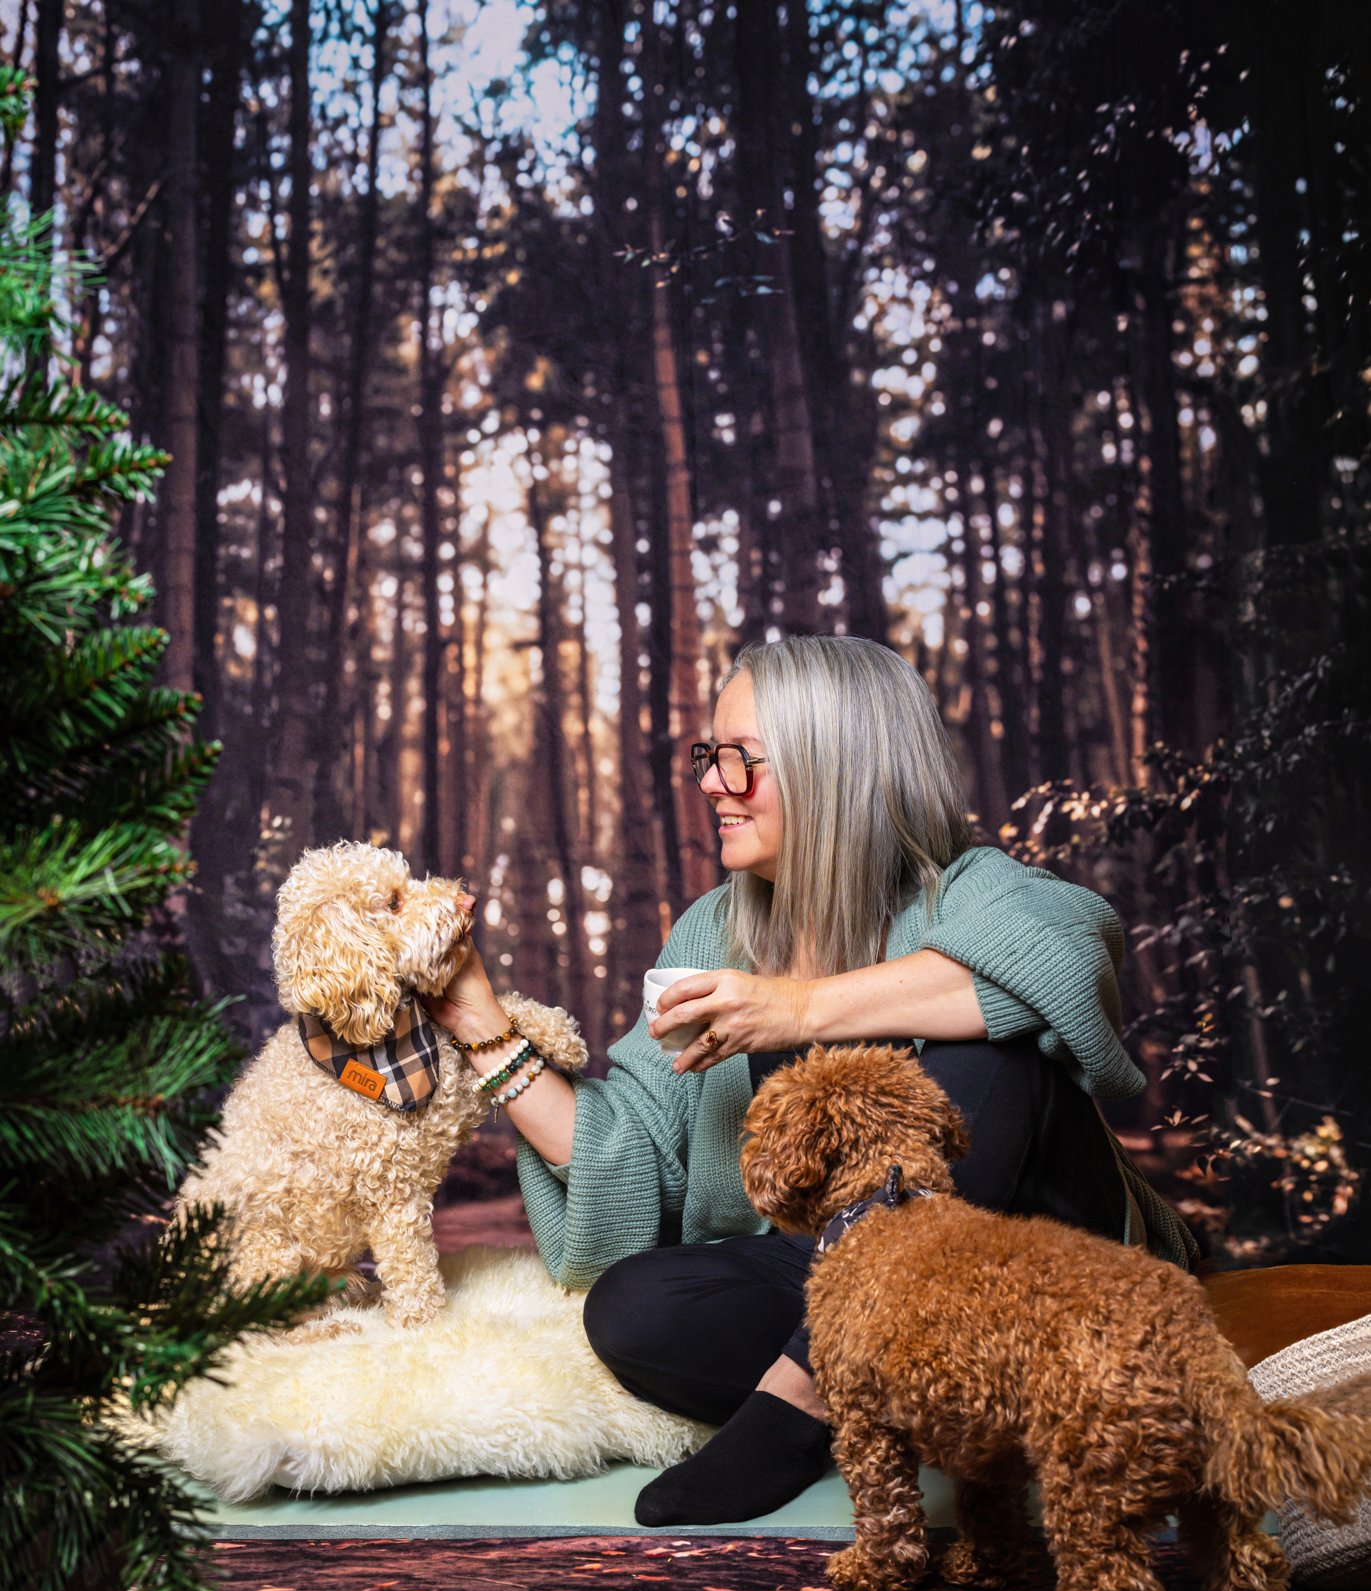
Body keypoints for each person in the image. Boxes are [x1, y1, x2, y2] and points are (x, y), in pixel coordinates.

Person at [427, 634, 1199, 1527]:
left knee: (996, 1044)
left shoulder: (970, 891)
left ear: (836, 771)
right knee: (634, 1310)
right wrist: (477, 1022)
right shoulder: (713, 931)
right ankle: (906, 1388)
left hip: (1036, 1275)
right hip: (855, 1287)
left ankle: (804, 1398)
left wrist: (797, 1008)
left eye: (741, 760)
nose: (712, 784)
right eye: (708, 756)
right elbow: (628, 1152)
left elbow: (1062, 958)